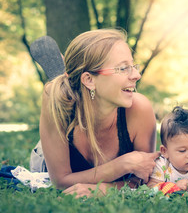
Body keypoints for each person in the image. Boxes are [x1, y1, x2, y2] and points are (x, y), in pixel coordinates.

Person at [38, 28, 160, 198]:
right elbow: (59, 181)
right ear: (89, 79)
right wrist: (122, 165)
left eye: (133, 66)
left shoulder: (139, 109)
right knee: (55, 93)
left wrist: (106, 189)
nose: (137, 75)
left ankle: (66, 75)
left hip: (82, 96)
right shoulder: (54, 102)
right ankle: (62, 79)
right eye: (123, 68)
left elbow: (143, 178)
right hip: (47, 154)